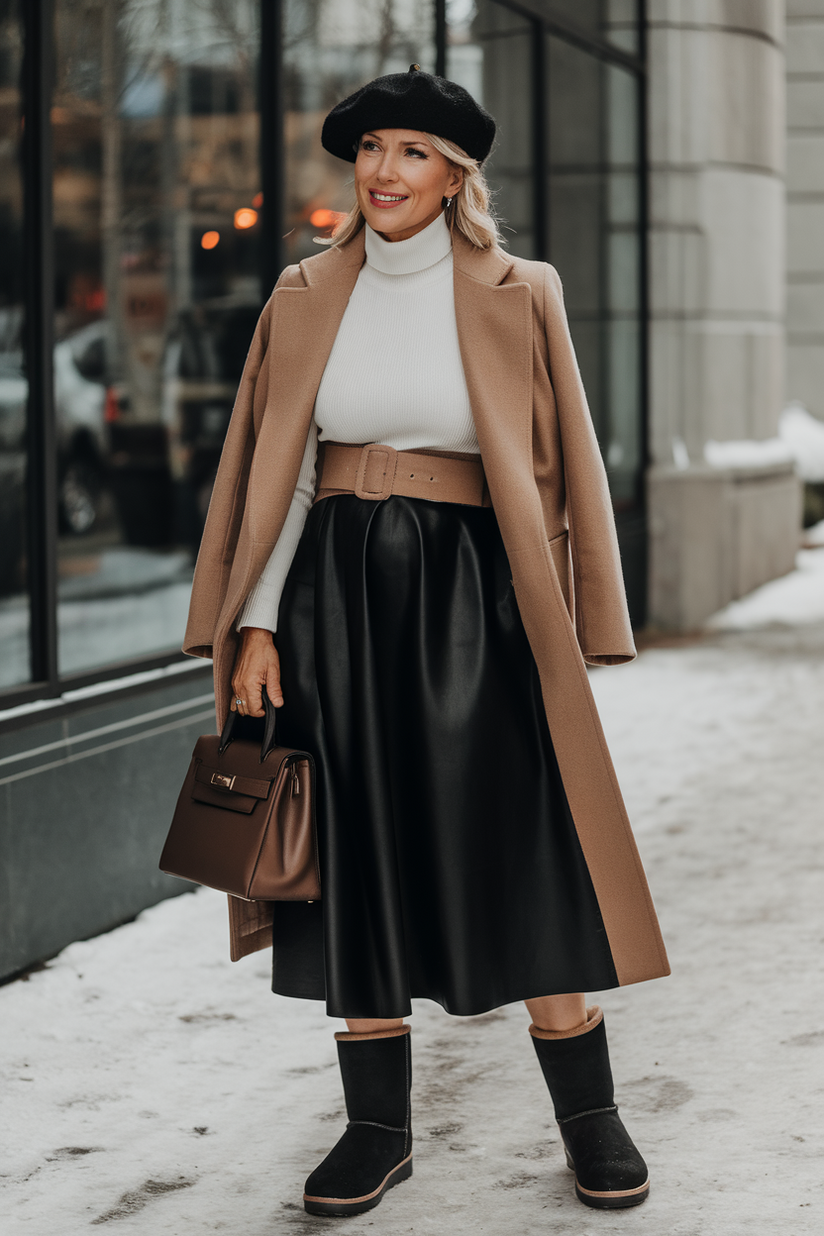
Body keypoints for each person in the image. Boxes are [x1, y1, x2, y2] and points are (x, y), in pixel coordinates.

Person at [183, 65, 670, 1217]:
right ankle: (375, 1129)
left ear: (456, 174)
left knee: (527, 839)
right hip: (331, 608)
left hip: (480, 599)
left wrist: (587, 613)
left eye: (410, 151)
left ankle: (590, 1118)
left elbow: (571, 464)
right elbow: (280, 475)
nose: (382, 171)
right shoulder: (303, 293)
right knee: (353, 851)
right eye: (369, 149)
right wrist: (256, 623)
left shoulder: (520, 289)